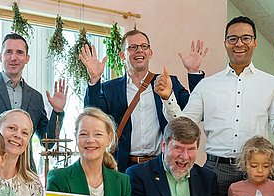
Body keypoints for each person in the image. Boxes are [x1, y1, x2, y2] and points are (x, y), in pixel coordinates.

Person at [155, 16, 274, 196]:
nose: (239, 44)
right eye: (233, 39)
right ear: (225, 43)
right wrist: (168, 97)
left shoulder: (272, 83)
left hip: (257, 169)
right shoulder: (207, 85)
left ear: (255, 42)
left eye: (246, 38)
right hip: (215, 171)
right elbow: (183, 127)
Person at [80, 29, 206, 171]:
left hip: (161, 164)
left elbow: (195, 111)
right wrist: (94, 79)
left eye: (144, 46)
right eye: (133, 47)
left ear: (150, 53)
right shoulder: (110, 89)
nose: (139, 50)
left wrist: (193, 72)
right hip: (124, 166)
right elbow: (92, 116)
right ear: (122, 55)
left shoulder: (167, 83)